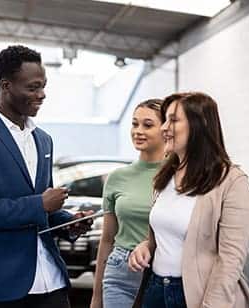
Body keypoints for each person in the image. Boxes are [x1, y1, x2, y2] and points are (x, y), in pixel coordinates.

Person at [0, 45, 92, 308]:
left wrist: (68, 222)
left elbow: (43, 209)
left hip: (53, 283)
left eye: (43, 86)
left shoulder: (43, 140)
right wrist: (39, 204)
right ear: (6, 86)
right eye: (32, 87)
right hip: (6, 288)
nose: (42, 95)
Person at [128, 92, 249, 308]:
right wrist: (146, 246)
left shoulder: (232, 182)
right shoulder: (166, 175)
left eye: (173, 120)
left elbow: (231, 261)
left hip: (195, 296)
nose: (164, 127)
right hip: (155, 289)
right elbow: (167, 235)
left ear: (200, 126)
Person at [90, 99, 165, 308]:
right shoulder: (117, 177)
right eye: (134, 124)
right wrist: (97, 298)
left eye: (148, 125)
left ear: (166, 129)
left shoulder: (178, 176)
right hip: (120, 271)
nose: (138, 131)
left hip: (163, 272)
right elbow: (107, 240)